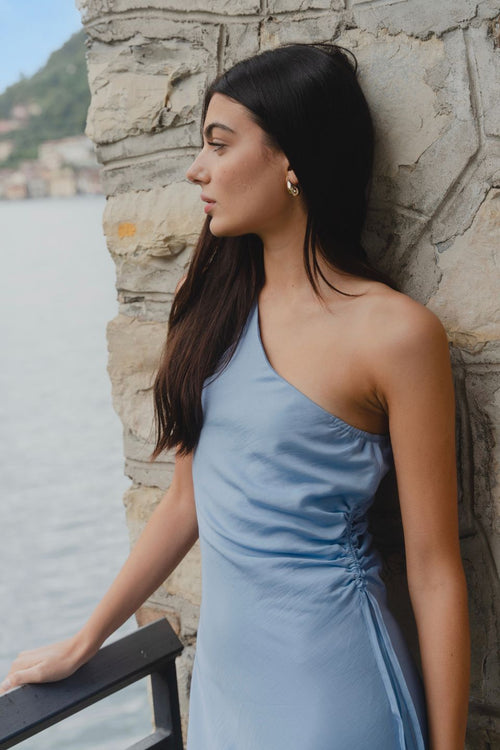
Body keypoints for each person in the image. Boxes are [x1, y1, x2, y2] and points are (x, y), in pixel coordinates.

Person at [1, 42, 470, 750]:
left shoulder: (397, 335)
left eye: (219, 145)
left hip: (334, 693)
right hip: (225, 691)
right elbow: (187, 500)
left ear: (291, 162)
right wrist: (86, 638)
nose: (198, 169)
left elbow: (435, 569)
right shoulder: (213, 316)